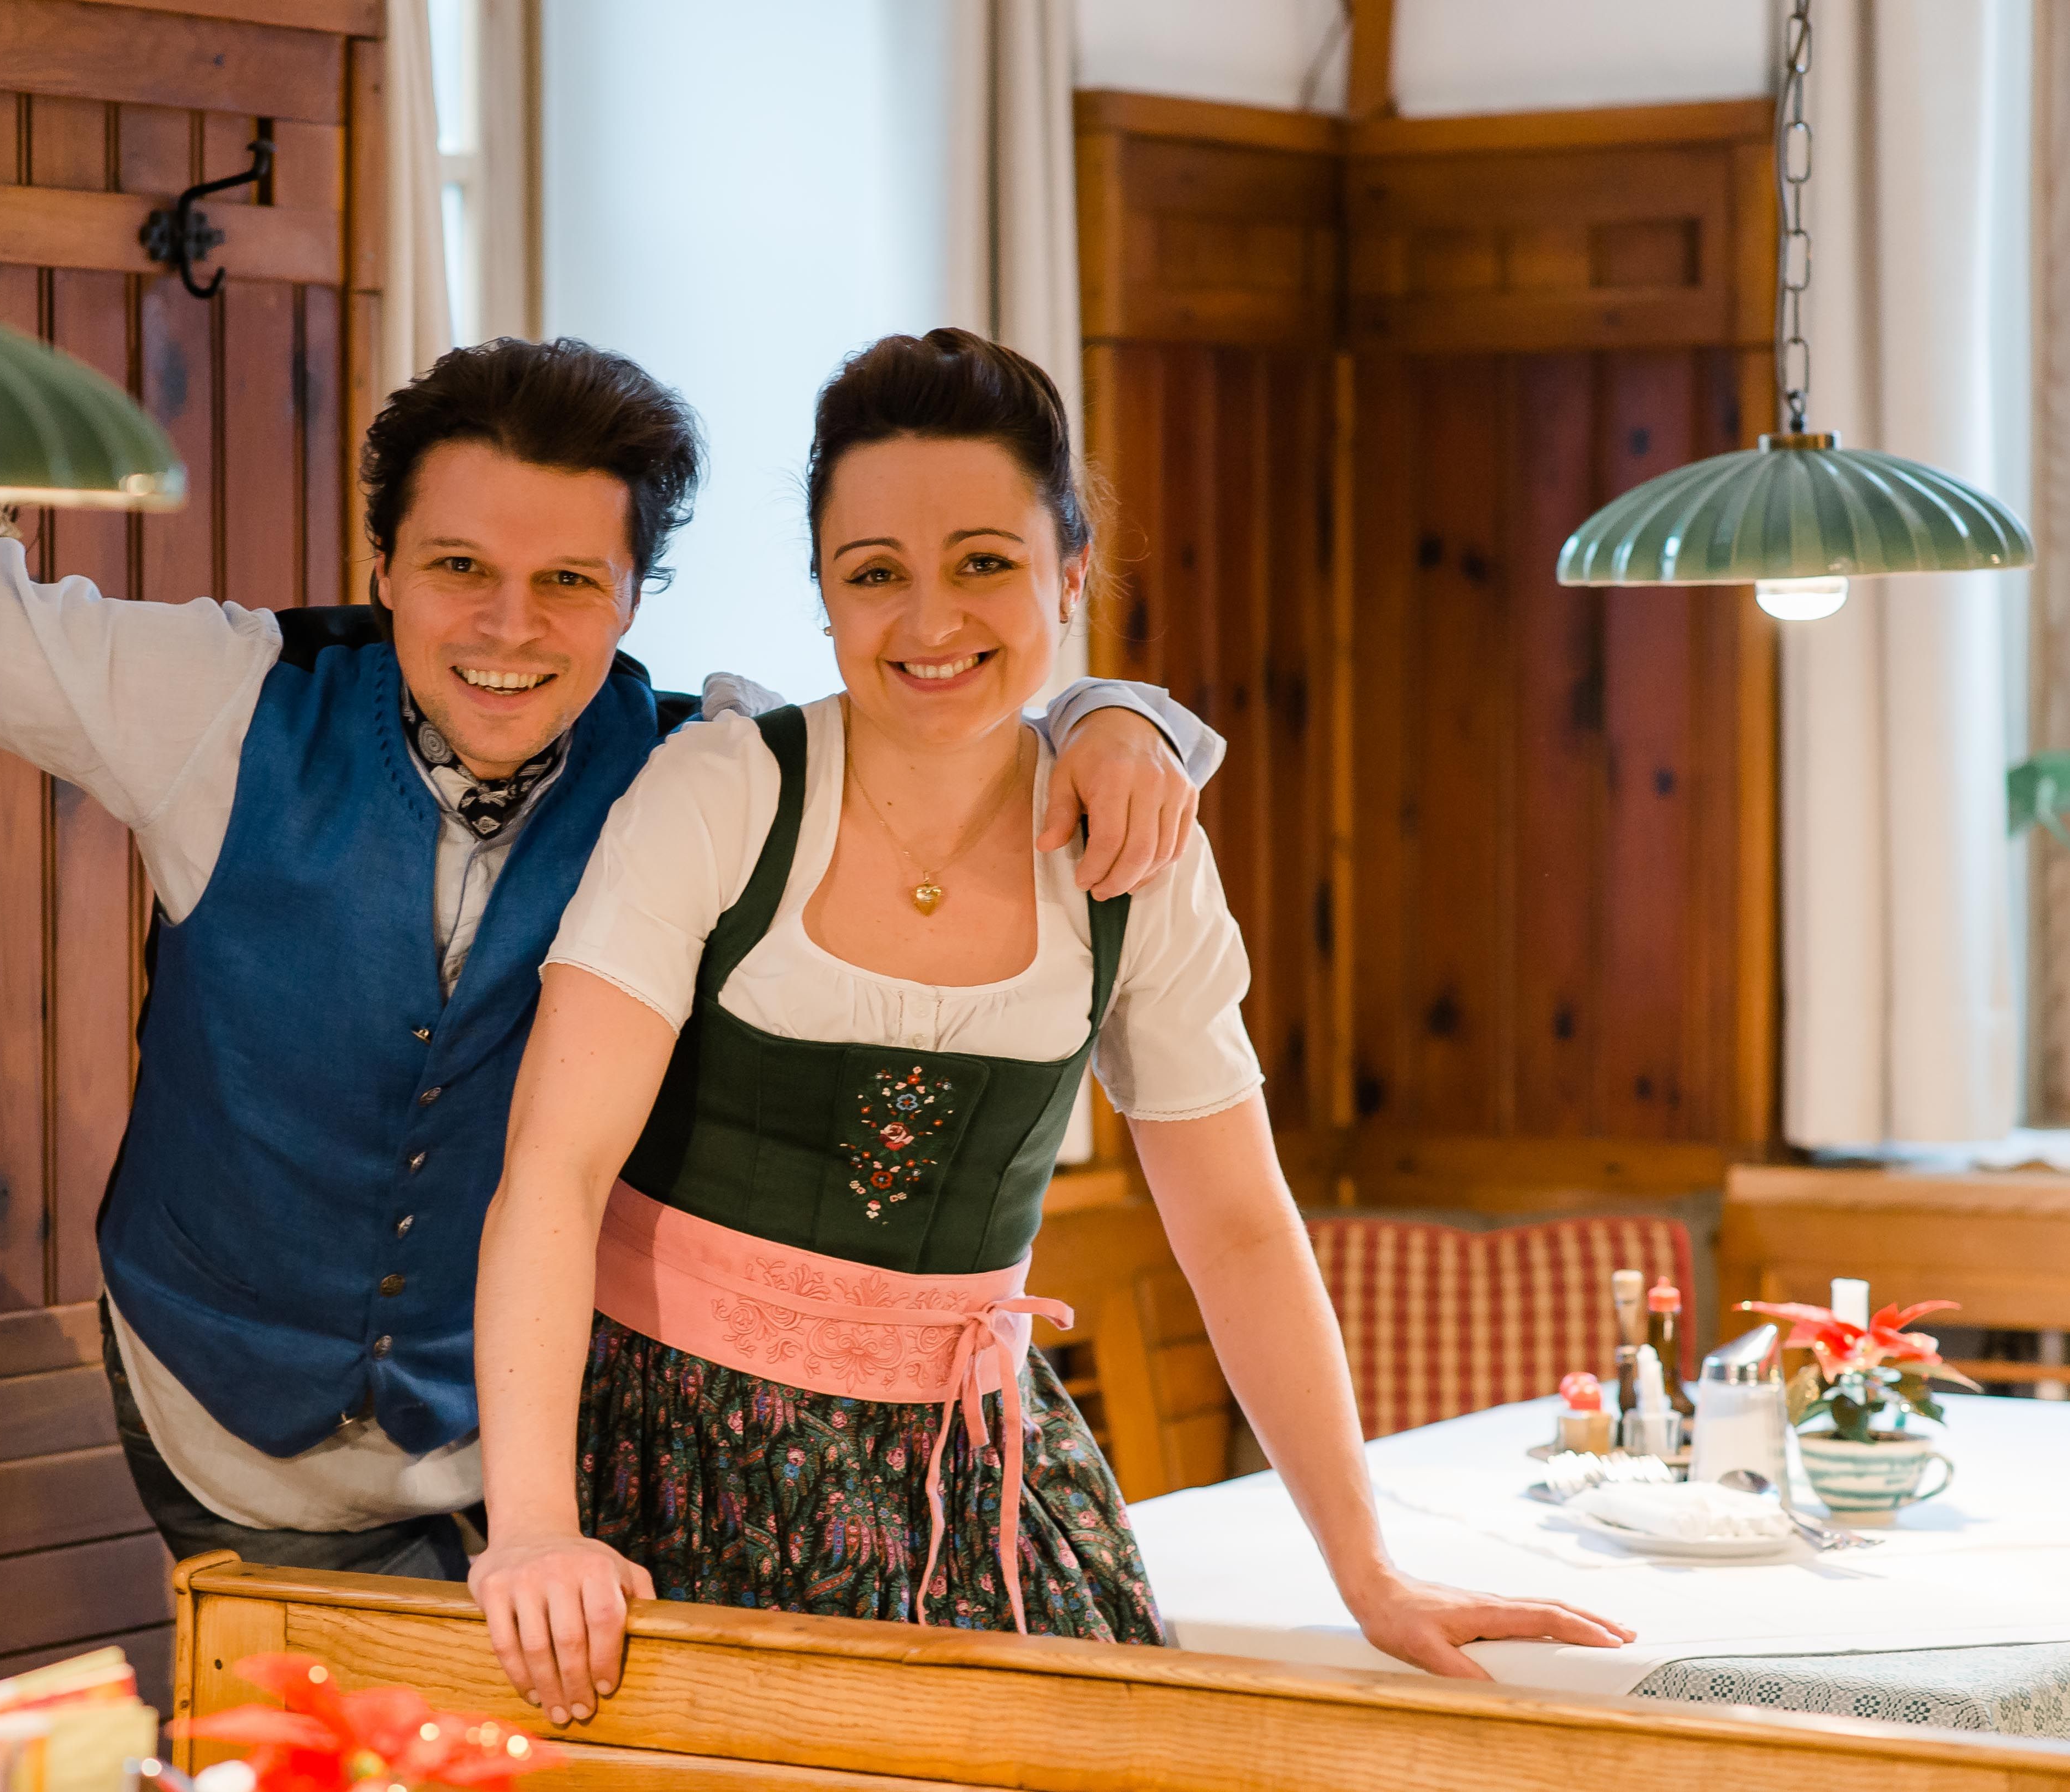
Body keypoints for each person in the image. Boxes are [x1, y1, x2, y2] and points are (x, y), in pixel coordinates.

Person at [0, 90, 1220, 1582]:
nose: (507, 628)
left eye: (566, 585)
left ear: (633, 598)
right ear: (384, 567)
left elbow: (930, 708)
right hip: (216, 1418)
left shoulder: (706, 770)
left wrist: (1114, 711)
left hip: (525, 1450)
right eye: (459, 568)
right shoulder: (224, 702)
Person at [468, 329, 1636, 1723]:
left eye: (983, 562)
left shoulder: (1133, 850)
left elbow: (1238, 1226)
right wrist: (533, 1528)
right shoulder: (722, 792)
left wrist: (1367, 1568)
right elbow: (554, 1170)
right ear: (823, 593)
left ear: (1068, 575)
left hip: (982, 1477)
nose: (930, 621)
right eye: (874, 573)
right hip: (673, 1462)